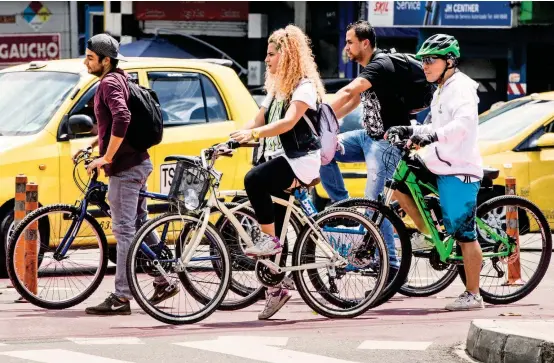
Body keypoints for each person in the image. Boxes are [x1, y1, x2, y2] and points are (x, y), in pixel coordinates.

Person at [75, 33, 175, 315]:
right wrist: (93, 144)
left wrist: (106, 157)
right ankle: (164, 280)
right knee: (140, 224)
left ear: (106, 61)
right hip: (137, 163)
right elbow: (111, 123)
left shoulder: (108, 83)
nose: (86, 63)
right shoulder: (120, 77)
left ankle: (121, 297)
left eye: (91, 58)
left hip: (126, 168)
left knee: (124, 231)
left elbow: (122, 117)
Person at [230, 25, 324, 320]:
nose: (267, 60)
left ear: (288, 56)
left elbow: (287, 123)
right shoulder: (276, 89)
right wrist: (233, 138)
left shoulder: (304, 87)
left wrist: (254, 135)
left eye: (272, 54)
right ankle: (276, 290)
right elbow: (258, 118)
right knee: (275, 229)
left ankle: (269, 241)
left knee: (254, 179)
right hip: (280, 158)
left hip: (300, 160)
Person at [386, 34, 485, 311]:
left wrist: (432, 137)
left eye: (430, 60)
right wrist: (410, 130)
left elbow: (462, 125)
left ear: (449, 61)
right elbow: (432, 125)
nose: (425, 66)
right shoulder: (442, 87)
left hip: (459, 168)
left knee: (465, 233)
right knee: (400, 184)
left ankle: (473, 295)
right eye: (423, 61)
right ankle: (425, 232)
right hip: (439, 162)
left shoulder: (461, 88)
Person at [320, 20, 412, 277]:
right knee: (324, 150)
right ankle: (344, 205)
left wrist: (321, 111)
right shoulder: (367, 69)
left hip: (386, 142)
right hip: (366, 137)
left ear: (365, 43)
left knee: (374, 204)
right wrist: (321, 126)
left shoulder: (380, 64)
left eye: (350, 42)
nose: (346, 47)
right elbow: (352, 101)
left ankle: (391, 264)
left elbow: (350, 90)